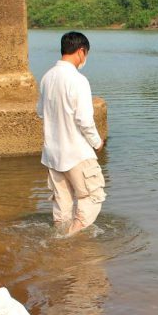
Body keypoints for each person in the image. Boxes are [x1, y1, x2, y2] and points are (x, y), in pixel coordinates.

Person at [38, 31, 106, 236]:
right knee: (92, 197)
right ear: (81, 52)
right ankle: (70, 240)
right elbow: (84, 120)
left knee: (62, 206)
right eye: (86, 55)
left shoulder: (47, 77)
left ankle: (60, 248)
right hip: (77, 152)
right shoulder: (78, 80)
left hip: (53, 154)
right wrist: (97, 142)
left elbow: (40, 112)